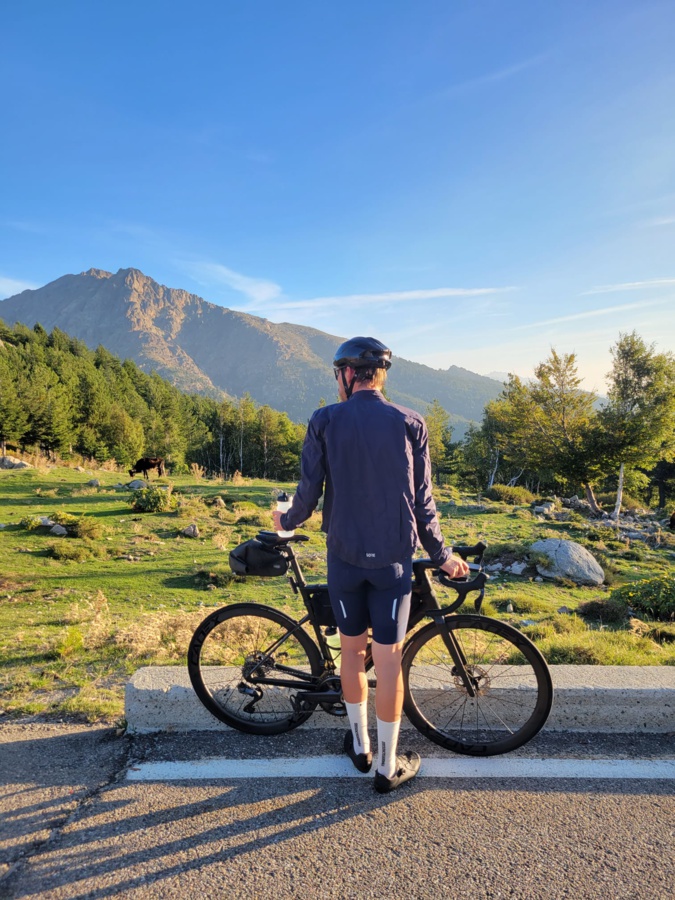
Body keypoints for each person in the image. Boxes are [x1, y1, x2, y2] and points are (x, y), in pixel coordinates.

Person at [273, 336, 469, 792]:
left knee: (352, 655)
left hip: (343, 562)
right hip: (393, 568)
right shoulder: (410, 422)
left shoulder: (324, 420)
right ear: (380, 374)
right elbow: (424, 504)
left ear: (346, 375)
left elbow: (309, 491)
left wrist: (286, 519)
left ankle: (359, 748)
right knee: (388, 662)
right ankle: (386, 767)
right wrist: (442, 557)